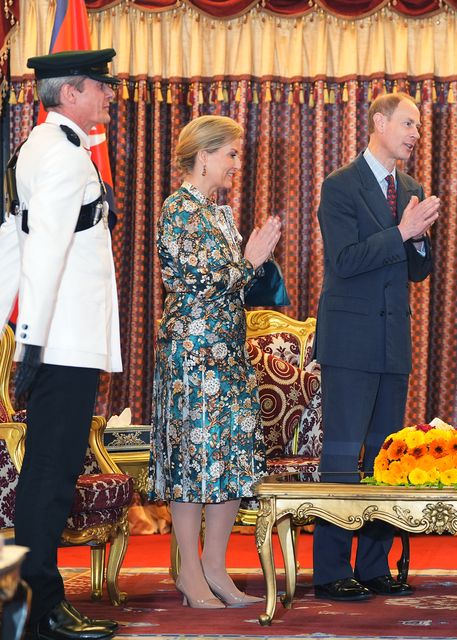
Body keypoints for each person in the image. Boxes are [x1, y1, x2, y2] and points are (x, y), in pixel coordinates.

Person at [6, 49, 123, 640]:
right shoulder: (60, 156)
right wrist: (28, 343)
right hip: (61, 342)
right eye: (101, 86)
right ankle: (37, 608)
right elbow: (43, 250)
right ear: (72, 92)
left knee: (49, 476)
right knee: (50, 478)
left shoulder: (51, 147)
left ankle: (29, 604)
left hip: (62, 339)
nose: (110, 94)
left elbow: (15, 236)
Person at [147, 115, 281, 609]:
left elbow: (239, 282)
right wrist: (250, 259)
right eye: (231, 154)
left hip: (228, 353)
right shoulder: (176, 211)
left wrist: (256, 263)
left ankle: (216, 571)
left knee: (230, 460)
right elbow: (202, 281)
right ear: (203, 156)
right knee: (191, 463)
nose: (236, 164)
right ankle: (189, 573)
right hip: (192, 355)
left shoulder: (221, 215)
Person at [313, 92, 440, 601]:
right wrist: (403, 231)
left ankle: (372, 566)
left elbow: (417, 270)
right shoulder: (340, 185)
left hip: (393, 340)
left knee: (385, 456)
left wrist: (421, 239)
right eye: (408, 124)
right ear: (380, 123)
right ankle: (329, 571)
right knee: (344, 454)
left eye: (418, 127)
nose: (414, 134)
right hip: (349, 340)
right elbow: (344, 260)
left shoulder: (410, 187)